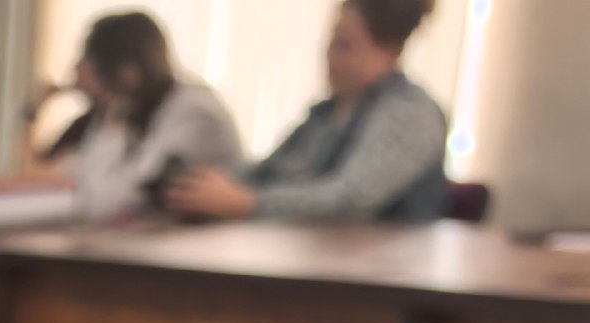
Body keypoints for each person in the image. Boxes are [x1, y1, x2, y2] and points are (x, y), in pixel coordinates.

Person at [166, 0, 449, 223]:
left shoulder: (410, 112)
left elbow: (350, 200)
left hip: (376, 274)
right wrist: (201, 187)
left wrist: (247, 203)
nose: (329, 56)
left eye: (345, 45)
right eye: (331, 42)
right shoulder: (327, 112)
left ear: (391, 52)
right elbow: (269, 172)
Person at [53, 13, 245, 223]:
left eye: (101, 75)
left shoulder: (196, 113)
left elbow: (112, 201)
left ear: (128, 73)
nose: (99, 89)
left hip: (212, 237)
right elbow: (86, 177)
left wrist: (116, 123)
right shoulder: (137, 109)